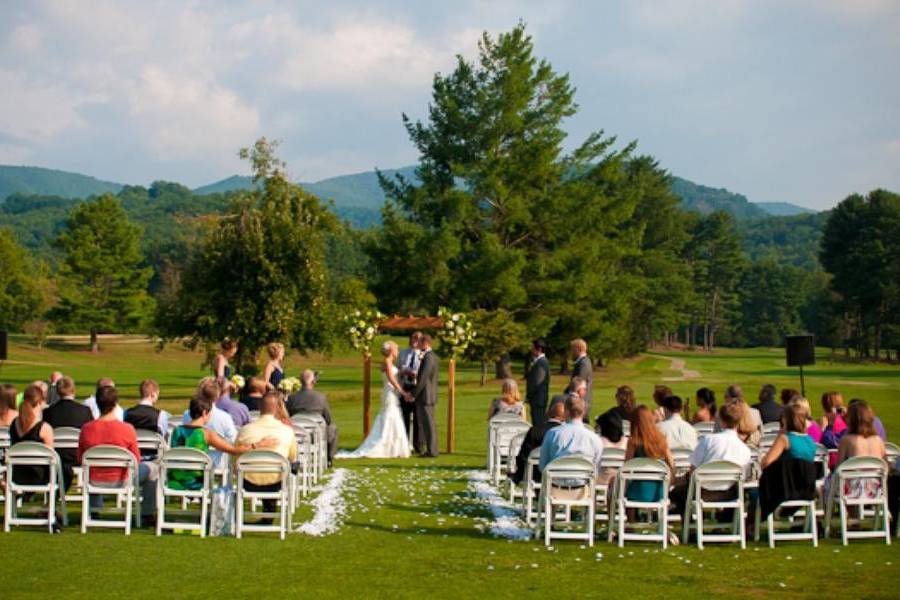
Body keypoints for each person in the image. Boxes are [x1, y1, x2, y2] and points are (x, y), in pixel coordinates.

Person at [77, 386, 157, 524]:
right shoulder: (127, 429)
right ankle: (147, 513)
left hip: (94, 479)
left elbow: (80, 458)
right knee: (154, 470)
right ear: (115, 404)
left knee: (93, 468)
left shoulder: (86, 429)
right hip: (122, 480)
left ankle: (95, 510)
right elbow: (136, 459)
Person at [167, 394, 275, 490]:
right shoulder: (205, 434)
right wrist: (258, 445)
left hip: (174, 480)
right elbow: (233, 450)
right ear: (205, 413)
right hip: (196, 482)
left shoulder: (177, 431)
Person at [670, 401, 752, 516]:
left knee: (677, 493)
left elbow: (693, 469)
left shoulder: (708, 440)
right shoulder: (745, 450)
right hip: (728, 493)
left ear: (722, 421)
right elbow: (745, 477)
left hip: (703, 491)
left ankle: (691, 528)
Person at [235, 392, 297, 515]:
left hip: (248, 482)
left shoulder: (245, 430)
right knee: (287, 467)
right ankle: (270, 512)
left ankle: (268, 512)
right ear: (277, 408)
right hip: (277, 482)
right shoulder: (287, 431)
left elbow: (235, 458)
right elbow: (292, 458)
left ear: (259, 407)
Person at [758, 403, 818, 520]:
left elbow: (766, 462)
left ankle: (751, 525)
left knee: (755, 493)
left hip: (784, 488)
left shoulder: (784, 439)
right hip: (805, 488)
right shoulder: (810, 441)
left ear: (785, 420)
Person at [43, 376, 93, 489]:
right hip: (77, 456)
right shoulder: (84, 411)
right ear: (73, 390)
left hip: (55, 454)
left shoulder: (48, 412)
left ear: (57, 391)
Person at [830, 399, 886, 500]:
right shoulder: (879, 441)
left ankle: (837, 513)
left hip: (852, 491)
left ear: (850, 420)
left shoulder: (846, 440)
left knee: (827, 483)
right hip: (875, 491)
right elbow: (885, 468)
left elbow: (838, 469)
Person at [183, 378, 237, 472]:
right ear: (217, 396)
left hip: (190, 464)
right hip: (218, 466)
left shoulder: (187, 414)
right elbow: (233, 441)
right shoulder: (224, 417)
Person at [539, 395, 603, 475]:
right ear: (583, 412)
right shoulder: (594, 438)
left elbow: (542, 466)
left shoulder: (553, 433)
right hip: (583, 483)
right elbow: (596, 469)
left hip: (556, 483)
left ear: (565, 412)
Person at [288, 369, 340, 463]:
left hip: (297, 434)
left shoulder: (292, 398)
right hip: (316, 435)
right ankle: (329, 458)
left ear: (300, 381)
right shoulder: (321, 397)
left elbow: (287, 417)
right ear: (313, 381)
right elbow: (328, 419)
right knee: (333, 427)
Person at [625, 405, 675, 503]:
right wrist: (668, 485)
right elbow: (672, 466)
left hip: (637, 491)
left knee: (618, 485)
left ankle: (629, 517)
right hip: (659, 491)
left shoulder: (633, 442)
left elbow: (627, 467)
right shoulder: (661, 440)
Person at [9, 384, 55, 487]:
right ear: (39, 402)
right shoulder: (44, 428)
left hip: (16, 475)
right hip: (39, 477)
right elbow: (51, 456)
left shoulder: (14, 424)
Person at [510, 402, 565, 485]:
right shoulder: (564, 434)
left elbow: (523, 455)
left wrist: (520, 473)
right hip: (558, 475)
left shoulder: (534, 431)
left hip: (533, 475)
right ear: (564, 417)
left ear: (548, 414)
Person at [407, 334, 439, 457]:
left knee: (428, 424)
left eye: (419, 343)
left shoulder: (428, 357)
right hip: (427, 395)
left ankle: (432, 451)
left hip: (426, 396)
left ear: (425, 343)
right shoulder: (431, 356)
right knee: (427, 424)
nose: (417, 345)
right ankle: (431, 450)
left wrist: (413, 394)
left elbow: (423, 380)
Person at [397, 332, 422, 447]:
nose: (415, 341)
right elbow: (397, 369)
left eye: (418, 339)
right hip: (405, 386)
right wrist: (403, 372)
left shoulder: (423, 354)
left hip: (417, 387)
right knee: (404, 415)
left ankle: (417, 444)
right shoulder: (403, 353)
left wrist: (416, 374)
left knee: (417, 416)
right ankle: (404, 443)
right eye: (413, 338)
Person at [564, 339, 593, 423]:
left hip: (581, 402)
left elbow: (578, 384)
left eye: (572, 349)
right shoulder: (582, 362)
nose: (571, 352)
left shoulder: (583, 363)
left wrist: (565, 394)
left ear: (578, 349)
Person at [525, 339, 550, 426]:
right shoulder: (540, 362)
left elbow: (537, 383)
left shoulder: (541, 363)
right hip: (538, 399)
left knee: (538, 424)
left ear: (538, 349)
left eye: (532, 348)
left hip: (538, 400)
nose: (531, 350)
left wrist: (529, 396)